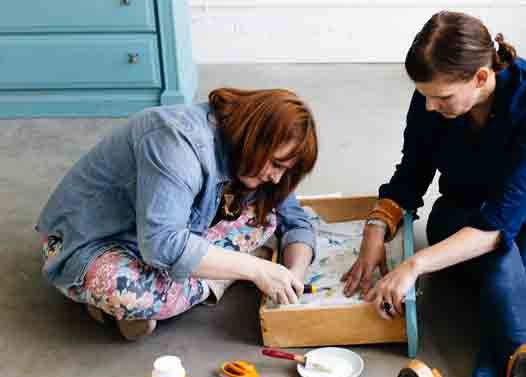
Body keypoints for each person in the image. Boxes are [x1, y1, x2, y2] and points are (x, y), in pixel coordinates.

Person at [342, 11, 526, 377]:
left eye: (442, 98)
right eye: (425, 97)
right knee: (507, 283)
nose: (431, 107)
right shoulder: (431, 97)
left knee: (516, 286)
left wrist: (414, 264)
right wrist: (377, 226)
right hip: (459, 217)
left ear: (482, 76)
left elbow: (503, 221)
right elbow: (411, 173)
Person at [37, 88, 318, 340]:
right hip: (92, 241)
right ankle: (126, 307)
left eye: (286, 171)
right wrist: (256, 269)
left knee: (266, 217)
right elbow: (162, 245)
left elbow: (294, 218)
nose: (276, 177)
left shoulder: (257, 162)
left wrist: (293, 277)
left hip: (163, 235)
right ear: (255, 135)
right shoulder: (176, 140)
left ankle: (195, 282)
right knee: (129, 291)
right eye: (276, 164)